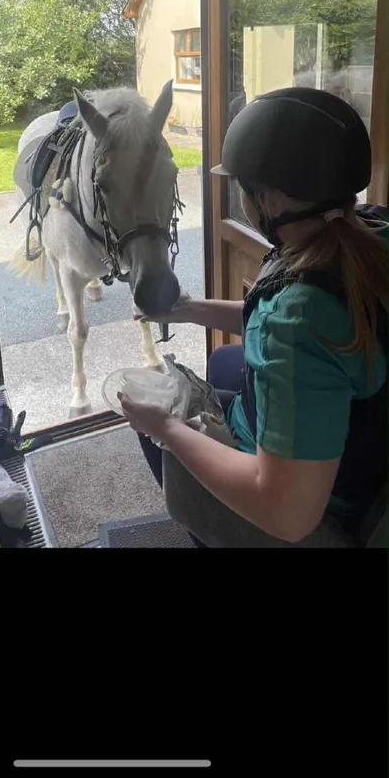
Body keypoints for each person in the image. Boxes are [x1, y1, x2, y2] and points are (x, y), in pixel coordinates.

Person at [120, 87, 388, 548]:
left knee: (158, 424)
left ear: (268, 202)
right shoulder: (364, 231)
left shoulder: (298, 318)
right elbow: (323, 339)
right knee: (225, 361)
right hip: (365, 453)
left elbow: (287, 514)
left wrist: (167, 429)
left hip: (317, 514)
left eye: (242, 188)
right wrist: (188, 309)